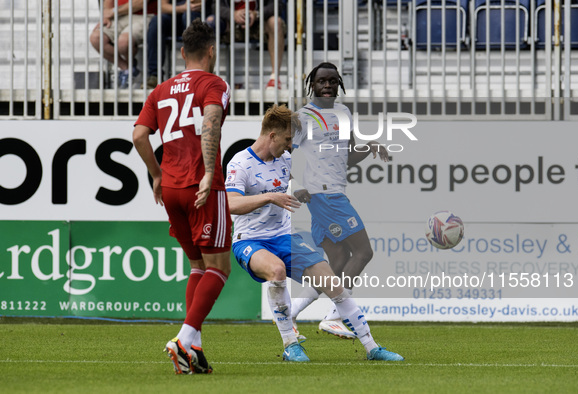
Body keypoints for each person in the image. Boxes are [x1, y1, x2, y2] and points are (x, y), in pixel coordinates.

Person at [225, 104, 403, 362]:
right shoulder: (240, 163)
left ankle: (372, 348)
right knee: (277, 271)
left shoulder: (284, 159)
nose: (290, 146)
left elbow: (289, 179)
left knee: (333, 282)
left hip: (284, 237)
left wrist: (297, 188)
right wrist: (269, 198)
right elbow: (231, 204)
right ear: (272, 135)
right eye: (287, 139)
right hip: (250, 241)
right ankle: (290, 345)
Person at [132, 19, 232, 375]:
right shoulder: (214, 83)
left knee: (197, 267)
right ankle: (183, 338)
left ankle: (193, 351)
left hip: (171, 188)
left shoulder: (160, 90)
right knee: (220, 269)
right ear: (211, 51)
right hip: (201, 187)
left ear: (180, 52)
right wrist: (207, 172)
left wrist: (156, 175)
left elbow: (139, 135)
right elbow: (210, 123)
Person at [290, 62, 390, 339]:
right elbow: (281, 154)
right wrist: (294, 185)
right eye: (322, 80)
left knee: (336, 261)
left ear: (339, 85)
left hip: (334, 192)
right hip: (324, 195)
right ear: (312, 84)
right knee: (363, 252)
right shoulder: (303, 117)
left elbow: (348, 156)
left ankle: (290, 312)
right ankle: (336, 314)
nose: (327, 85)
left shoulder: (343, 112)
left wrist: (369, 148)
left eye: (333, 81)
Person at [208, 0, 286, 89]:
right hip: (230, 23)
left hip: (259, 22)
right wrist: (232, 14)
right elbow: (215, 6)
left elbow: (277, 5)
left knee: (275, 22)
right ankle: (208, 79)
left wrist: (257, 14)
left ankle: (274, 78)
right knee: (210, 23)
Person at [90, 0, 158, 88]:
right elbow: (108, 3)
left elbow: (140, 3)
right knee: (96, 38)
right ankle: (127, 69)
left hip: (144, 15)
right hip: (119, 16)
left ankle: (129, 72)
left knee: (123, 42)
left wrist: (113, 11)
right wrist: (106, 15)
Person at [144, 0, 208, 89]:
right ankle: (155, 76)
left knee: (189, 17)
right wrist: (183, 8)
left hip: (200, 16)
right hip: (176, 15)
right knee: (156, 22)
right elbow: (162, 6)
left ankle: (194, 74)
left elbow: (197, 4)